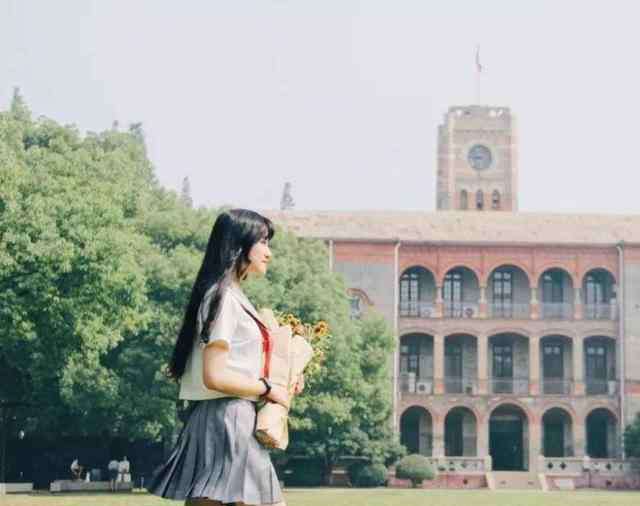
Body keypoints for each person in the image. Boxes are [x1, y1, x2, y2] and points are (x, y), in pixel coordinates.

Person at [147, 209, 303, 506]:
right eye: (263, 242)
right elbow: (215, 376)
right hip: (227, 418)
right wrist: (269, 388)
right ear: (238, 245)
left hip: (228, 417)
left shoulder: (231, 296)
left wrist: (285, 380)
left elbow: (237, 366)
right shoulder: (223, 298)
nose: (269, 253)